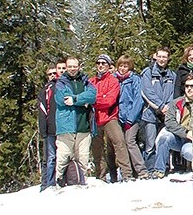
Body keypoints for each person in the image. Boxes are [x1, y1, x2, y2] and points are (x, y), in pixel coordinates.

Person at [89, 54, 133, 183]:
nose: (101, 65)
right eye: (99, 63)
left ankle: (127, 175)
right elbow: (87, 97)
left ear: (109, 66)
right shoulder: (91, 82)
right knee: (97, 148)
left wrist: (95, 100)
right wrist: (100, 98)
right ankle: (100, 177)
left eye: (104, 63)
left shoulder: (113, 81)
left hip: (110, 117)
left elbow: (110, 100)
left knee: (119, 143)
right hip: (95, 119)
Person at [54, 57, 97, 186]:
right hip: (66, 125)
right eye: (70, 66)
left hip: (84, 125)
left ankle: (82, 180)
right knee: (63, 155)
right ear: (66, 67)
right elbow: (62, 98)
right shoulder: (61, 82)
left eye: (75, 66)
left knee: (83, 157)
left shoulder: (85, 81)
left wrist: (76, 99)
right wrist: (83, 101)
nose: (72, 69)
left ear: (79, 67)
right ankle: (58, 181)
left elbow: (93, 95)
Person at [151, 74, 193, 179]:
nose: (189, 89)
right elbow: (169, 122)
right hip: (178, 136)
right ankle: (159, 170)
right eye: (187, 86)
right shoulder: (176, 103)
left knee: (188, 152)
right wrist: (185, 133)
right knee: (164, 138)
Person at [140, 46, 176, 171]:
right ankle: (149, 169)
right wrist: (160, 106)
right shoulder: (147, 73)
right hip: (150, 112)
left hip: (166, 113)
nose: (161, 59)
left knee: (162, 141)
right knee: (150, 144)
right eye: (159, 56)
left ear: (168, 58)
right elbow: (146, 92)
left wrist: (167, 107)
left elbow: (173, 93)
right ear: (155, 57)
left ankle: (163, 168)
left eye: (164, 57)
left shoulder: (172, 75)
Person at [114, 55, 149, 179]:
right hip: (118, 117)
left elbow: (138, 99)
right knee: (120, 144)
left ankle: (141, 170)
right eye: (121, 66)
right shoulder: (115, 79)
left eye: (125, 66)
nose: (123, 68)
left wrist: (131, 118)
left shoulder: (134, 79)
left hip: (132, 117)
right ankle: (127, 172)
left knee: (130, 141)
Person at [37, 62, 61, 191]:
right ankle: (46, 184)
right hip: (49, 129)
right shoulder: (44, 91)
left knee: (62, 157)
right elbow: (42, 112)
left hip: (62, 128)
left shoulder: (61, 88)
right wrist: (43, 130)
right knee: (49, 158)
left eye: (54, 73)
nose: (52, 76)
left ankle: (59, 181)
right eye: (50, 74)